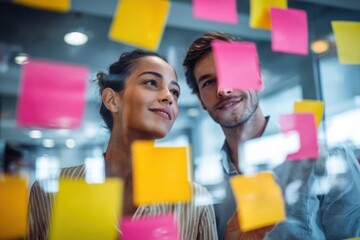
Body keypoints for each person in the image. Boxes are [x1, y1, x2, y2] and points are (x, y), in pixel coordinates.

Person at [183, 32, 360, 240]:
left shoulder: (327, 157)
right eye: (208, 83)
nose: (223, 89)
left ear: (257, 79)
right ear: (202, 102)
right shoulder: (204, 188)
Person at [26, 50, 218, 240]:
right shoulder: (52, 189)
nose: (169, 97)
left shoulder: (195, 200)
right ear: (112, 99)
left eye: (175, 92)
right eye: (151, 82)